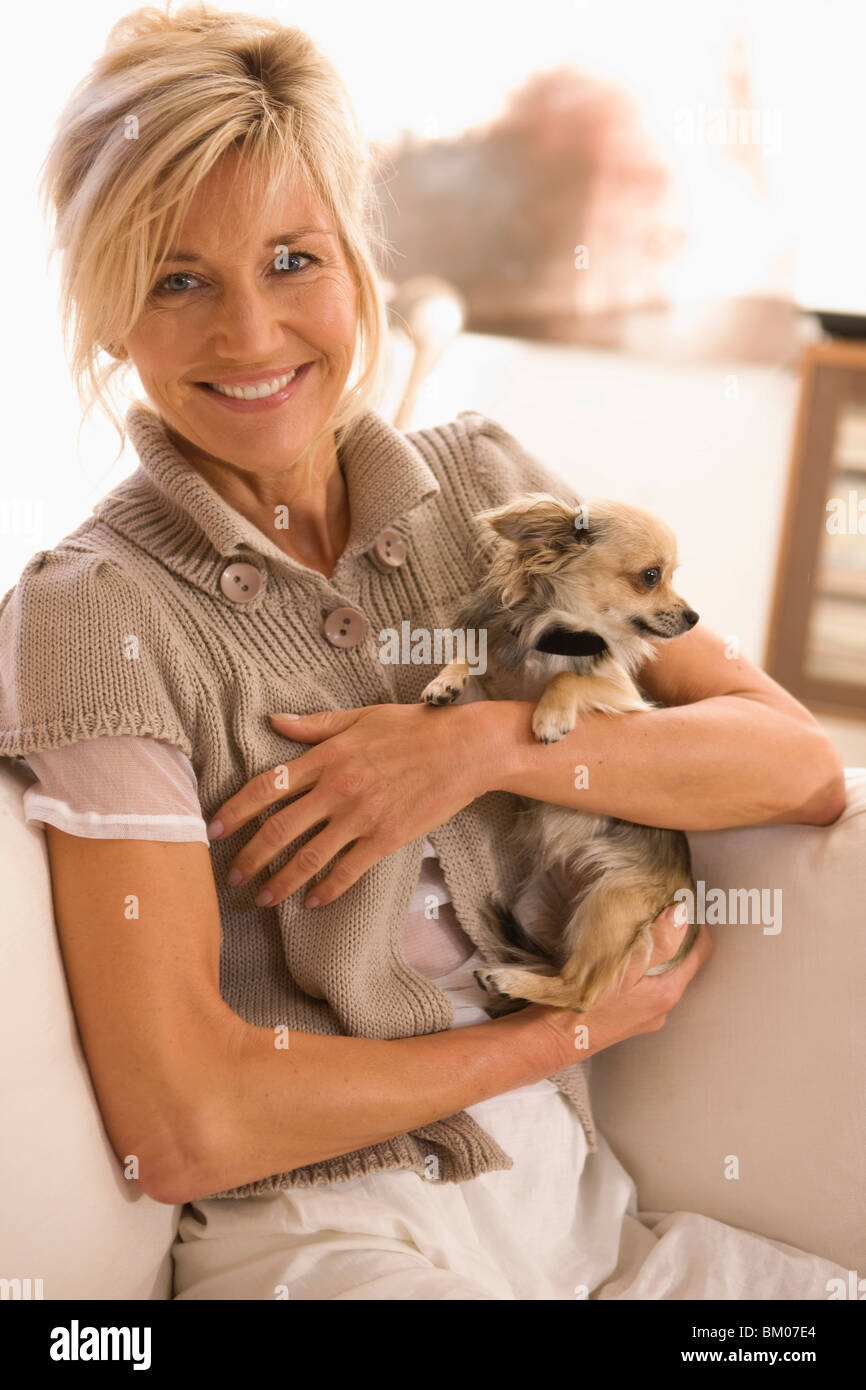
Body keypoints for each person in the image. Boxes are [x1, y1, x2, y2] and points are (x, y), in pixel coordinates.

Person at [0, 4, 847, 1300]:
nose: (250, 331)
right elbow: (184, 1118)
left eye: (292, 258)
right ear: (109, 312)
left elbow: (793, 766)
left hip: (580, 1213)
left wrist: (484, 745)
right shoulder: (91, 611)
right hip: (325, 1235)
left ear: (355, 260)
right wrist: (562, 1032)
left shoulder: (486, 483)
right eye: (177, 278)